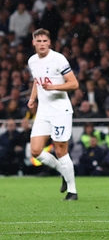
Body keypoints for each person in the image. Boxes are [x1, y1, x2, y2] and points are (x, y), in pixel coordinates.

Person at [26, 28, 79, 200]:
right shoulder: (32, 61)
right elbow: (37, 80)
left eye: (44, 41)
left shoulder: (58, 59)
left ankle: (72, 190)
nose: (41, 44)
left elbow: (74, 84)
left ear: (49, 42)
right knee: (35, 151)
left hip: (60, 111)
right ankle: (64, 172)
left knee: (61, 151)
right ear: (33, 42)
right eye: (38, 41)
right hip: (43, 111)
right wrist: (33, 98)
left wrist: (54, 86)